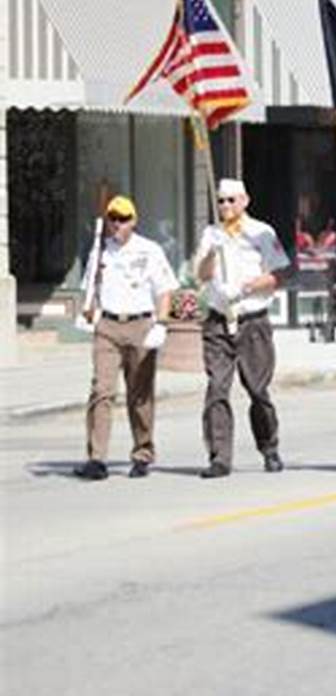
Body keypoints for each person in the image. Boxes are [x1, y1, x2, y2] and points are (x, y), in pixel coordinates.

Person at [74, 195, 178, 480]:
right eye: (112, 218)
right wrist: (88, 312)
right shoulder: (100, 251)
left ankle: (142, 452)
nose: (117, 224)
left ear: (134, 220)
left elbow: (165, 290)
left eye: (122, 219)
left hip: (140, 325)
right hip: (108, 326)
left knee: (140, 394)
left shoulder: (150, 250)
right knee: (101, 391)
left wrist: (162, 323)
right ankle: (96, 458)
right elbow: (90, 291)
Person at [194, 178, 292, 479]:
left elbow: (281, 274)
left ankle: (269, 446)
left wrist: (249, 286)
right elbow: (200, 274)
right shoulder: (212, 233)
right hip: (218, 320)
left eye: (231, 200)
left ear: (245, 200)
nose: (225, 206)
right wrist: (212, 253)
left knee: (257, 389)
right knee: (217, 390)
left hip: (252, 320)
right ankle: (219, 457)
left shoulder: (261, 233)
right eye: (221, 201)